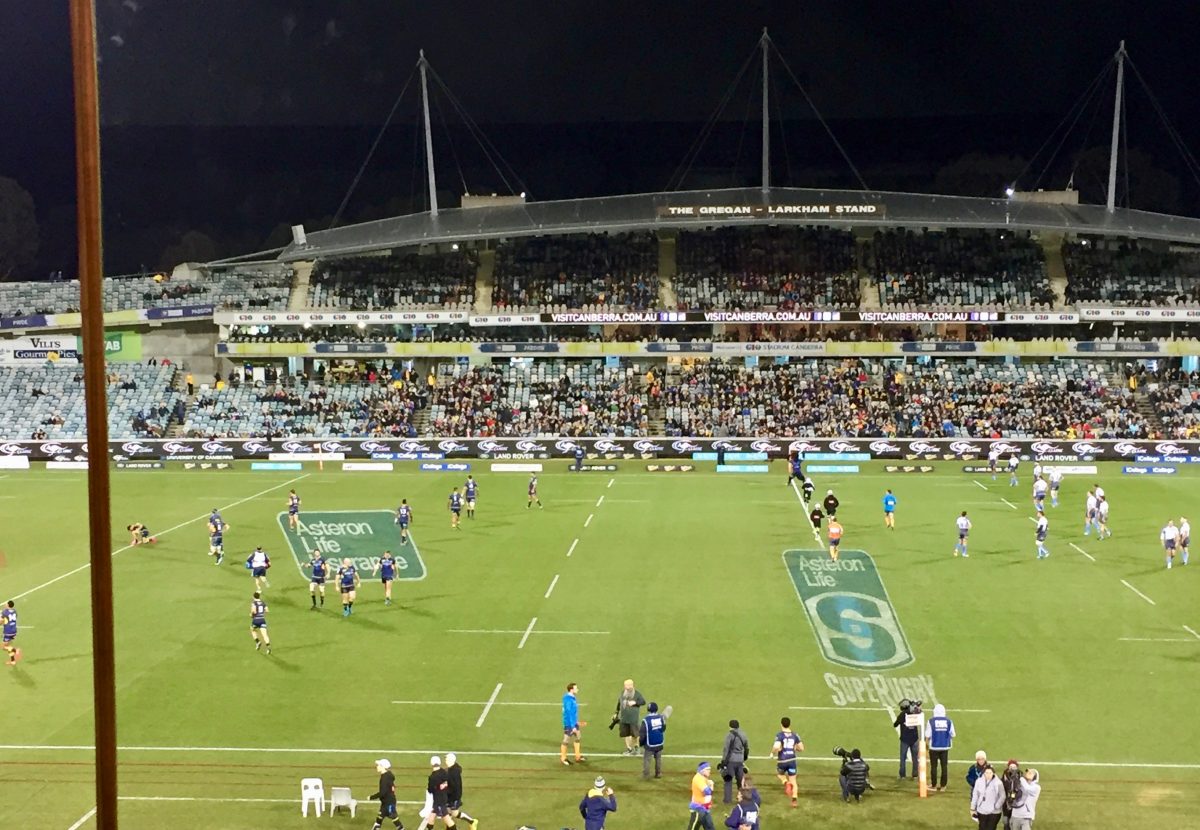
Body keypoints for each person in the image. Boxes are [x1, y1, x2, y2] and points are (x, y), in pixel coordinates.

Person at [771, 716, 804, 809]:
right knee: (793, 780)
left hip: (782, 760)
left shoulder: (780, 735)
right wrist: (794, 748)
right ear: (790, 724)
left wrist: (772, 752)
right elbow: (801, 748)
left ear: (781, 724)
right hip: (792, 760)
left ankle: (785, 782)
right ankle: (794, 800)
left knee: (779, 774)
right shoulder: (795, 735)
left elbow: (777, 747)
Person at [418, 756, 454, 829]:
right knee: (432, 816)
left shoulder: (433, 777)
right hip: (443, 797)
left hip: (439, 800)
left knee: (447, 819)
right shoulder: (444, 772)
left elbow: (430, 790)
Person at [443, 753, 477, 829]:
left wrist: (444, 789)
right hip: (453, 796)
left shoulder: (453, 773)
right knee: (450, 813)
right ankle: (472, 822)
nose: (445, 760)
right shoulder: (453, 769)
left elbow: (454, 787)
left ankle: (471, 822)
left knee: (450, 813)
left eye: (447, 759)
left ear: (451, 760)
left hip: (453, 797)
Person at [719, 719, 750, 803]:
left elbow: (726, 749)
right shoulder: (743, 735)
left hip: (731, 761)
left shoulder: (729, 735)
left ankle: (727, 800)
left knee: (728, 780)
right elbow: (746, 748)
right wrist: (744, 758)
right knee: (740, 781)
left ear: (730, 726)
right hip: (740, 761)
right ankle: (742, 798)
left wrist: (723, 762)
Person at [926, 704, 955, 791]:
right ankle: (943, 786)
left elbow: (927, 734)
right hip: (945, 747)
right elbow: (953, 734)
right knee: (944, 766)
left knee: (934, 766)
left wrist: (926, 744)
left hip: (934, 747)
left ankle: (934, 785)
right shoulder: (949, 721)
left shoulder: (931, 721)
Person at [370, 759, 404, 830]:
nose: (377, 766)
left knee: (395, 819)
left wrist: (371, 797)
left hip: (389, 803)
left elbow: (382, 793)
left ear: (383, 767)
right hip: (386, 802)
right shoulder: (388, 775)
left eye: (378, 765)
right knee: (379, 819)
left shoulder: (385, 778)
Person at [615, 678, 646, 755]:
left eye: (627, 685)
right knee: (626, 734)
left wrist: (635, 702)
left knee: (635, 735)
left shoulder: (637, 694)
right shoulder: (623, 693)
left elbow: (643, 702)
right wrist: (616, 712)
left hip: (633, 719)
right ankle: (629, 749)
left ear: (632, 685)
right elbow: (619, 703)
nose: (626, 687)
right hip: (624, 718)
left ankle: (636, 747)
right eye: (625, 685)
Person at [970, 764, 1005, 830]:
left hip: (994, 812)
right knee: (982, 827)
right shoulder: (978, 781)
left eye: (990, 773)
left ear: (993, 773)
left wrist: (996, 806)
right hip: (982, 810)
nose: (988, 775)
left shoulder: (998, 783)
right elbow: (975, 795)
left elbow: (1002, 796)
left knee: (991, 828)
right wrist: (972, 808)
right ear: (984, 773)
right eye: (986, 773)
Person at [640, 701, 667, 779]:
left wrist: (641, 743)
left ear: (648, 709)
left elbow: (642, 733)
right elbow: (663, 729)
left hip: (650, 744)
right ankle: (658, 773)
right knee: (658, 759)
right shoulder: (661, 718)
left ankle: (646, 775)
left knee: (647, 760)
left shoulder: (646, 720)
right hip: (659, 742)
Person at [561, 682, 586, 765]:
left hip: (573, 722)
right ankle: (563, 758)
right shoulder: (568, 699)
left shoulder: (572, 698)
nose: (577, 689)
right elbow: (569, 712)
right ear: (571, 689)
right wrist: (573, 726)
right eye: (576, 688)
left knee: (578, 737)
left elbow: (573, 712)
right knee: (566, 740)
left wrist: (576, 722)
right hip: (569, 723)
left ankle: (577, 756)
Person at [687, 762, 716, 830]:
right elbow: (707, 792)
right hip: (698, 809)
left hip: (705, 809)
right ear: (702, 770)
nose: (709, 771)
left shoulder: (703, 778)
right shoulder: (698, 779)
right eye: (707, 769)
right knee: (693, 828)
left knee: (710, 827)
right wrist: (711, 785)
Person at [893, 707, 918, 780]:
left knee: (903, 758)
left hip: (905, 739)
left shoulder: (902, 714)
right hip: (914, 738)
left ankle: (902, 775)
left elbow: (895, 724)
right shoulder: (914, 713)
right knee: (915, 758)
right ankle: (915, 775)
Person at [2, 600, 20, 666]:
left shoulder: (5, 612)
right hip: (14, 630)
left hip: (8, 631)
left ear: (8, 605)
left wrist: (3, 622)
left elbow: (1, 621)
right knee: (9, 646)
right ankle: (13, 661)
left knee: (4, 647)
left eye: (6, 603)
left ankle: (15, 650)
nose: (5, 604)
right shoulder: (15, 611)